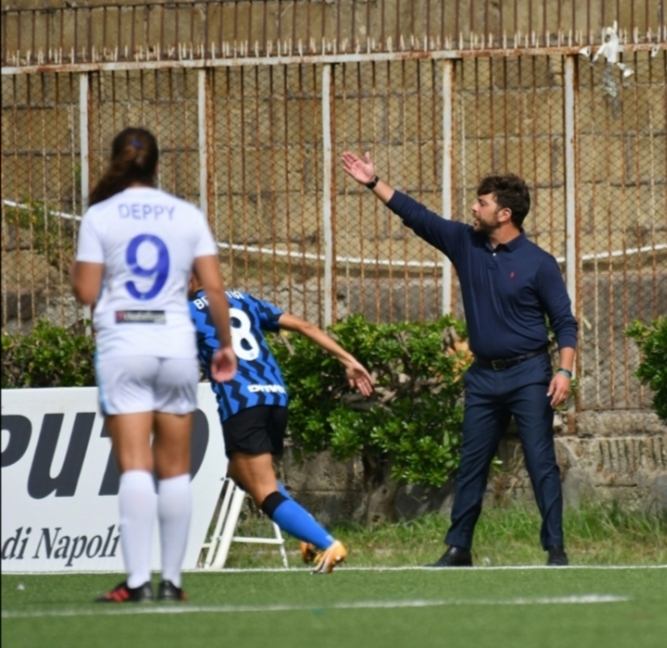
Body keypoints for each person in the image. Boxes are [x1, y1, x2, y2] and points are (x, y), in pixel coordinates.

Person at [340, 151, 578, 567]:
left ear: (504, 213)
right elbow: (419, 215)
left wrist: (563, 370)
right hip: (484, 378)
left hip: (529, 374)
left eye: (481, 202)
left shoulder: (539, 263)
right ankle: (458, 548)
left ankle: (555, 549)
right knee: (471, 464)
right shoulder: (464, 243)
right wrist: (373, 181)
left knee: (541, 463)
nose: (473, 207)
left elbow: (564, 322)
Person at [72, 127, 236, 603]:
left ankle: (138, 581)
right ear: (158, 165)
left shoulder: (100, 215)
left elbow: (86, 292)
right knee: (174, 470)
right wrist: (224, 344)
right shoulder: (187, 215)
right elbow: (215, 290)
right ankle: (174, 583)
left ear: (114, 160)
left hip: (125, 345)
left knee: (136, 467)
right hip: (175, 347)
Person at [189, 279, 374, 573]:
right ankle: (307, 535)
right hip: (276, 398)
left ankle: (326, 543)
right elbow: (306, 327)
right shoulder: (242, 299)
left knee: (263, 491)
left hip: (242, 402)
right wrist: (348, 360)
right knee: (240, 472)